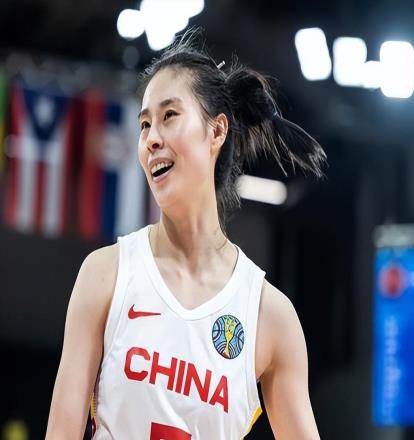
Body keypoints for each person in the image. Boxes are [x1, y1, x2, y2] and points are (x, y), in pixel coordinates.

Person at [46, 28, 327, 440]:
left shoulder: (270, 315)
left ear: (216, 131)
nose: (151, 139)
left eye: (169, 116)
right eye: (144, 124)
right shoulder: (106, 274)